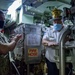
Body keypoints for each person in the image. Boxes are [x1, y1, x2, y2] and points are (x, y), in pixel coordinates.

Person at [42, 8, 73, 75]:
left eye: (58, 21)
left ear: (62, 21)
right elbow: (43, 41)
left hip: (65, 61)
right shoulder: (49, 30)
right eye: (54, 21)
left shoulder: (67, 30)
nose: (56, 23)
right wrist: (49, 43)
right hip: (51, 61)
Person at [0, 10, 22, 75]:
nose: (3, 21)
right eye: (1, 19)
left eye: (3, 19)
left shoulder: (1, 34)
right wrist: (15, 40)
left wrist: (11, 41)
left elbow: (5, 45)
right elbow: (3, 49)